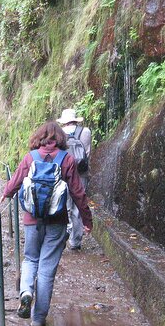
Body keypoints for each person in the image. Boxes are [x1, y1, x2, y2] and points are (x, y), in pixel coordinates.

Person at [0, 121, 93, 326]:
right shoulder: (66, 159)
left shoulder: (30, 157)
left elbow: (16, 181)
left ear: (39, 137)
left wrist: (6, 194)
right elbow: (78, 192)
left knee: (30, 259)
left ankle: (25, 293)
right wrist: (87, 220)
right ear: (60, 138)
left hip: (32, 220)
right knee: (46, 270)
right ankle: (38, 319)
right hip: (57, 222)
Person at [58, 108, 92, 251]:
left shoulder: (58, 134)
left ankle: (63, 237)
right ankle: (75, 241)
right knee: (78, 206)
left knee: (64, 206)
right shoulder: (86, 132)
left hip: (63, 174)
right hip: (81, 173)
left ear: (64, 122)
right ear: (75, 120)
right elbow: (88, 153)